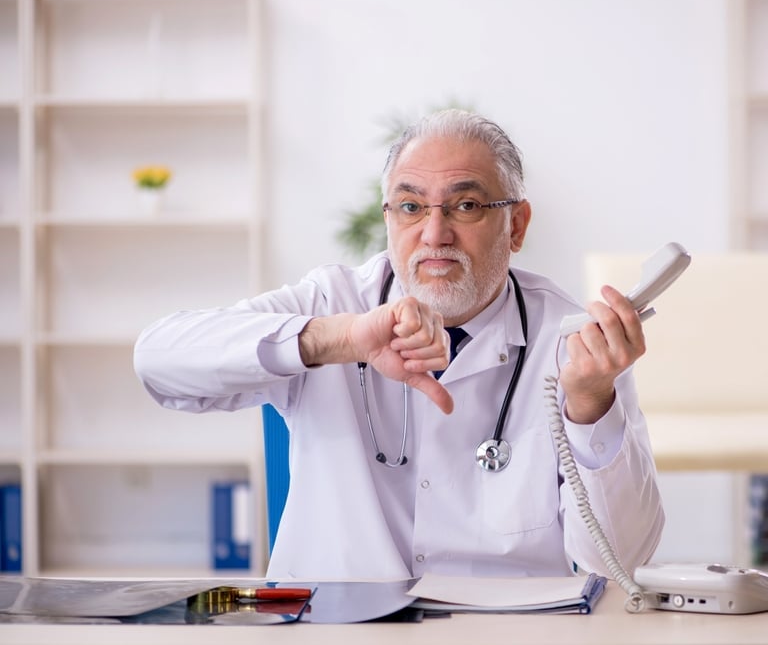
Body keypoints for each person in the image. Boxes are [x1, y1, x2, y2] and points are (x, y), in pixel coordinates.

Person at [134, 109, 664, 580]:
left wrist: (592, 406)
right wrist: (337, 338)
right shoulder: (333, 301)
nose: (435, 233)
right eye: (411, 207)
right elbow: (158, 360)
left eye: (466, 204)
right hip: (338, 626)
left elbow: (621, 564)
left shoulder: (572, 343)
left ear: (516, 225)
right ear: (388, 218)